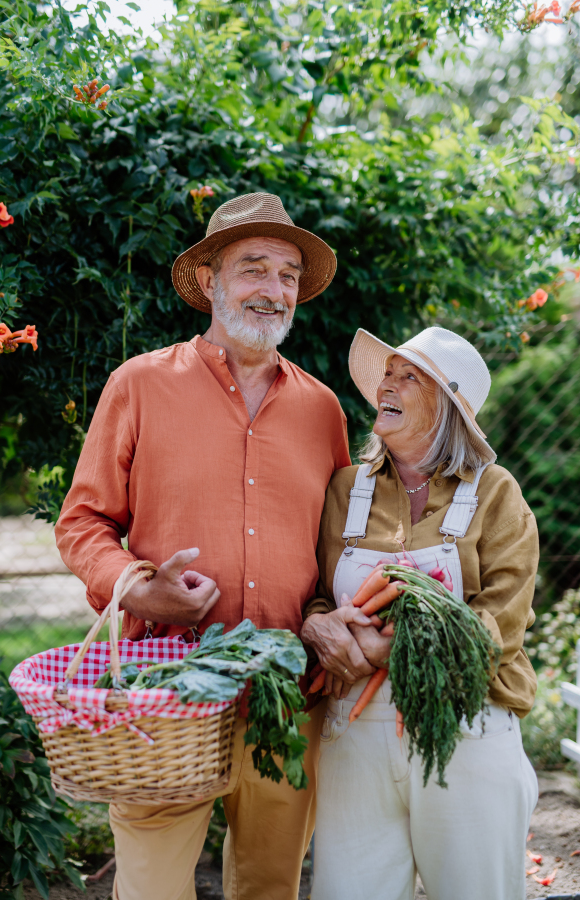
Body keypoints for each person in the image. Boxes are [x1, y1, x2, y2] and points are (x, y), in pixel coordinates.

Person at [55, 192, 354, 900]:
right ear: (210, 282)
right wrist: (134, 584)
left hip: (288, 697)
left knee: (269, 887)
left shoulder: (323, 410)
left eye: (287, 275)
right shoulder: (140, 385)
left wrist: (329, 618)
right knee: (152, 888)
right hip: (165, 696)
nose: (273, 289)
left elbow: (341, 550)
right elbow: (83, 521)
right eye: (253, 268)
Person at [301, 325, 539, 900]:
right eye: (388, 372)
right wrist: (318, 623)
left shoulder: (495, 494)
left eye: (410, 377)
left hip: (465, 728)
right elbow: (312, 590)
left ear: (449, 407)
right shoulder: (344, 489)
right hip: (352, 732)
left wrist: (394, 651)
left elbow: (496, 629)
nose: (388, 383)